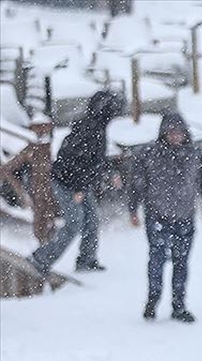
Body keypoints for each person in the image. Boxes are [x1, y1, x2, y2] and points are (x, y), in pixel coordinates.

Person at [127, 112, 202, 322]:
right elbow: (136, 182)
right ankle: (152, 301)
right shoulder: (149, 153)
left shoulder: (194, 153)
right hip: (157, 216)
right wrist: (132, 209)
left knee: (181, 262)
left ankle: (179, 305)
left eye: (179, 132)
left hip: (185, 216)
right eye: (171, 132)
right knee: (156, 260)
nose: (175, 136)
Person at [28, 90, 122, 275]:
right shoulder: (88, 128)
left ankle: (86, 260)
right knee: (74, 222)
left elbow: (97, 160)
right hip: (66, 182)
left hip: (79, 183)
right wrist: (77, 189)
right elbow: (71, 157)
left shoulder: (98, 129)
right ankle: (40, 259)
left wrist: (110, 173)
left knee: (91, 220)